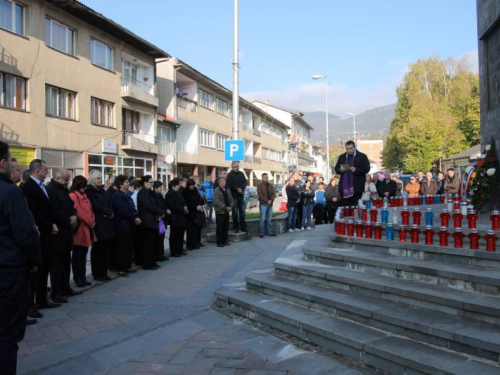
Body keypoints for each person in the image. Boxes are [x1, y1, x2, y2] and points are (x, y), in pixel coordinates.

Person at [0, 142, 40, 375]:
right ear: (3, 163)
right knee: (6, 336)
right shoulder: (9, 192)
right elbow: (27, 235)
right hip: (8, 272)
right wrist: (34, 261)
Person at [21, 159, 61, 315]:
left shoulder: (42, 186)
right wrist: (49, 225)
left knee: (45, 268)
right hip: (40, 234)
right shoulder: (28, 188)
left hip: (49, 233)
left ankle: (42, 299)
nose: (47, 172)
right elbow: (35, 212)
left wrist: (53, 223)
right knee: (36, 271)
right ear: (37, 171)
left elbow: (48, 209)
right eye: (45, 169)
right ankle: (31, 304)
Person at [46, 169, 81, 303]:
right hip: (58, 232)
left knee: (66, 263)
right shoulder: (51, 190)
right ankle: (56, 291)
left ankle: (66, 287)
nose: (68, 182)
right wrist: (67, 219)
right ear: (57, 178)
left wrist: (73, 216)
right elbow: (54, 211)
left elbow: (71, 205)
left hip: (67, 232)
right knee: (57, 265)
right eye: (66, 180)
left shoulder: (64, 190)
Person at [86, 170, 114, 282]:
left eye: (100, 178)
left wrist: (110, 212)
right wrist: (107, 212)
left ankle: (104, 272)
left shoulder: (102, 190)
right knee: (98, 249)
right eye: (98, 179)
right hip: (98, 222)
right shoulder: (90, 191)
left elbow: (109, 201)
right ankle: (97, 274)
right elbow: (95, 205)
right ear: (92, 180)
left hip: (107, 222)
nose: (100, 181)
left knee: (106, 249)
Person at [112, 175, 141, 276]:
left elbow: (132, 208)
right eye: (126, 182)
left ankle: (127, 266)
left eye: (128, 182)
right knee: (122, 248)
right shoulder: (118, 195)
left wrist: (136, 217)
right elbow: (123, 210)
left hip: (129, 225)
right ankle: (121, 268)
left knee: (128, 247)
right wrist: (134, 218)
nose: (128, 184)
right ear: (120, 184)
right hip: (122, 225)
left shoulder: (126, 195)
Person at [69, 176, 96, 288]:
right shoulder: (73, 196)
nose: (84, 188)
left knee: (84, 255)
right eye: (82, 185)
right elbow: (79, 212)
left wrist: (92, 220)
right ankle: (78, 278)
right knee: (77, 255)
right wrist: (90, 221)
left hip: (87, 228)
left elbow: (90, 210)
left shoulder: (85, 196)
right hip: (79, 229)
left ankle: (83, 277)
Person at [137, 175, 164, 270]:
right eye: (150, 182)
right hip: (146, 221)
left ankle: (153, 261)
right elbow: (148, 205)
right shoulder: (142, 193)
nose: (152, 184)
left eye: (152, 182)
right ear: (145, 183)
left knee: (153, 243)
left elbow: (156, 203)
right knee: (147, 244)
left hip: (153, 220)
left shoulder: (150, 192)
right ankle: (147, 264)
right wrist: (159, 211)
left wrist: (159, 212)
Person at [334, 141, 371, 207]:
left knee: (356, 209)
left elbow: (367, 169)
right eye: (347, 148)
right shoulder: (342, 157)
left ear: (354, 147)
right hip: (344, 188)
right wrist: (340, 169)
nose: (349, 150)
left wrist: (356, 169)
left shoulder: (362, 156)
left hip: (357, 188)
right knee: (346, 209)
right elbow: (336, 169)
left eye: (351, 148)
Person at [165, 178, 187, 257]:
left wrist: (185, 207)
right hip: (174, 217)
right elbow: (172, 206)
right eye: (178, 185)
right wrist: (182, 208)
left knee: (180, 234)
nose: (179, 187)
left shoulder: (178, 193)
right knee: (174, 235)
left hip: (181, 216)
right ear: (174, 186)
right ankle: (174, 251)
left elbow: (183, 201)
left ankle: (180, 249)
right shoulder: (170, 194)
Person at [183, 178, 205, 250]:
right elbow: (187, 202)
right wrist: (195, 207)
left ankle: (197, 242)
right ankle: (190, 244)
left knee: (197, 229)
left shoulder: (195, 190)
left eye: (193, 185)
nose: (192, 187)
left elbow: (199, 199)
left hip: (197, 212)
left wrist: (199, 205)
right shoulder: (185, 191)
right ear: (188, 185)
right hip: (190, 213)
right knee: (190, 230)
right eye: (191, 185)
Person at [226, 161, 247, 233]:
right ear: (232, 167)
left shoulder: (241, 173)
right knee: (235, 213)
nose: (236, 168)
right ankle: (236, 228)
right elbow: (230, 184)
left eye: (237, 166)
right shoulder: (229, 175)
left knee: (243, 212)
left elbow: (245, 182)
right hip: (234, 196)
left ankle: (243, 227)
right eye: (235, 167)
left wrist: (242, 189)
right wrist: (238, 189)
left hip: (241, 196)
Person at [213, 177, 233, 247]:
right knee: (220, 227)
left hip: (227, 211)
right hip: (220, 211)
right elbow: (216, 201)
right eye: (223, 181)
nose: (225, 182)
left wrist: (231, 206)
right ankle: (219, 242)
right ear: (220, 183)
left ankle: (225, 240)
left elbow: (231, 198)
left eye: (225, 181)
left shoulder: (227, 190)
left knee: (226, 227)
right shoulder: (216, 190)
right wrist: (225, 207)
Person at [257, 173, 277, 238]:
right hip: (263, 204)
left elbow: (273, 194)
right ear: (262, 178)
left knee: (269, 219)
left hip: (270, 204)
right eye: (265, 177)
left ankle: (270, 232)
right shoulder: (260, 185)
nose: (266, 178)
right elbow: (260, 195)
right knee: (262, 219)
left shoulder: (270, 185)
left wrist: (271, 200)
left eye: (267, 177)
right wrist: (266, 201)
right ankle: (261, 233)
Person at [153, 181, 169, 262]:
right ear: (155, 188)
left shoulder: (160, 196)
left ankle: (161, 254)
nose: (161, 189)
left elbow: (164, 205)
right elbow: (156, 207)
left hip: (163, 219)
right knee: (158, 239)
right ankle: (158, 255)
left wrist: (166, 211)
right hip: (158, 219)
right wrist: (161, 213)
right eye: (160, 188)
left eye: (161, 187)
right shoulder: (154, 196)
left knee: (162, 238)